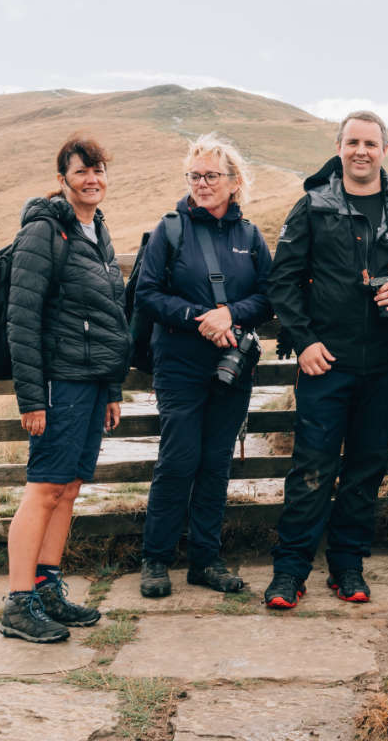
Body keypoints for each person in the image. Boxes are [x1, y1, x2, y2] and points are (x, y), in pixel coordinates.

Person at [264, 110, 388, 608]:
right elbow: (282, 281)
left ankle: (347, 566)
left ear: (385, 150)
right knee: (311, 468)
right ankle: (290, 570)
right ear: (339, 147)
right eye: (353, 142)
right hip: (325, 364)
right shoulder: (313, 206)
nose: (361, 151)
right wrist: (303, 342)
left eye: (371, 143)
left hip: (386, 365)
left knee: (366, 470)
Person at [0, 133, 130, 642]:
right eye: (81, 172)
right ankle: (17, 603)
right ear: (63, 180)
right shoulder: (45, 229)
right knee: (44, 487)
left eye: (98, 170)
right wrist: (31, 399)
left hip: (92, 381)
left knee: (70, 488)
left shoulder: (95, 228)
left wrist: (113, 387)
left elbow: (110, 314)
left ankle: (47, 588)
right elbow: (21, 319)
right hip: (58, 381)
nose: (91, 179)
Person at [134, 134, 273, 597]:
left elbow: (270, 297)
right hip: (178, 363)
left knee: (216, 462)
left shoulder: (249, 236)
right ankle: (155, 560)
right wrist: (201, 319)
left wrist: (230, 315)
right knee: (178, 459)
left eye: (212, 175)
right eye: (194, 176)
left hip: (233, 366)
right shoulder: (169, 230)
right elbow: (148, 294)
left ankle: (205, 561)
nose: (202, 184)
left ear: (234, 182)